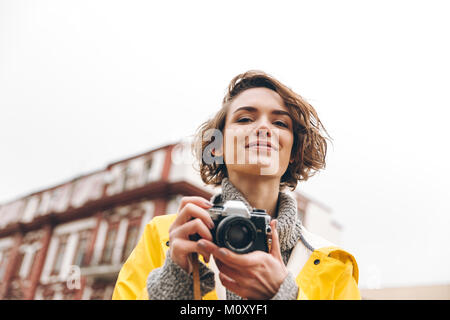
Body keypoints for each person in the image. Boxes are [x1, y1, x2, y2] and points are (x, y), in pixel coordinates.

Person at [112, 70, 361, 300]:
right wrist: (174, 283)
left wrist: (286, 295)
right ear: (217, 146)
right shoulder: (163, 238)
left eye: (280, 123)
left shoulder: (334, 265)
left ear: (294, 150)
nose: (263, 127)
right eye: (244, 119)